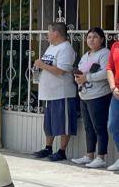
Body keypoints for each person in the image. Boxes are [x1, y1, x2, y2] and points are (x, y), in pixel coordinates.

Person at [32, 22, 78, 162]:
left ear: (56, 33)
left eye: (49, 32)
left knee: (64, 123)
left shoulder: (66, 49)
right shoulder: (51, 47)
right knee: (49, 123)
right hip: (49, 92)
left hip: (62, 92)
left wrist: (42, 65)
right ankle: (48, 147)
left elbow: (61, 71)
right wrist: (38, 67)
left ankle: (62, 151)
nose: (47, 35)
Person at [72, 27, 111, 168]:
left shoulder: (105, 53)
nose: (91, 39)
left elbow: (105, 73)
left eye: (95, 37)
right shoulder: (85, 55)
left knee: (99, 126)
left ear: (101, 39)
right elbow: (81, 70)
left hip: (99, 96)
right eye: (89, 37)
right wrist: (78, 78)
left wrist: (86, 77)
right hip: (85, 95)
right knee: (89, 127)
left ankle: (101, 157)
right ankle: (89, 155)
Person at [106, 31, 119, 171]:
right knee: (113, 125)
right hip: (116, 93)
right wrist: (112, 87)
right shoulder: (115, 46)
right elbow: (110, 68)